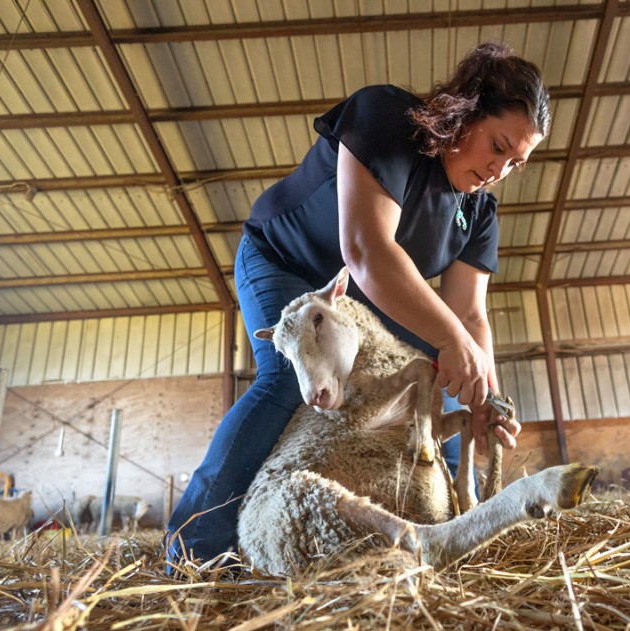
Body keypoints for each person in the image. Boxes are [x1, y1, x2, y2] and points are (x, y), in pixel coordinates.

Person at [167, 42, 550, 566]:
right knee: (283, 381)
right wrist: (456, 345)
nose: (499, 169)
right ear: (465, 113)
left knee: (442, 390)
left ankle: (451, 538)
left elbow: (469, 315)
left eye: (517, 162)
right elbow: (367, 251)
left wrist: (485, 396)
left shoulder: (478, 213)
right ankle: (193, 551)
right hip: (289, 264)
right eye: (498, 145)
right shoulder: (387, 119)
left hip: (370, 297)